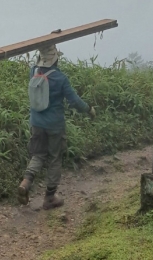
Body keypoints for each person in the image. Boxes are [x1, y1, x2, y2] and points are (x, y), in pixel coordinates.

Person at [18, 44, 96, 209]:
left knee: (38, 155)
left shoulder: (34, 72)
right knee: (54, 158)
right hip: (54, 125)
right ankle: (50, 197)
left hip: (36, 123)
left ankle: (25, 183)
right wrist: (89, 109)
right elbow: (74, 101)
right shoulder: (60, 79)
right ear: (55, 59)